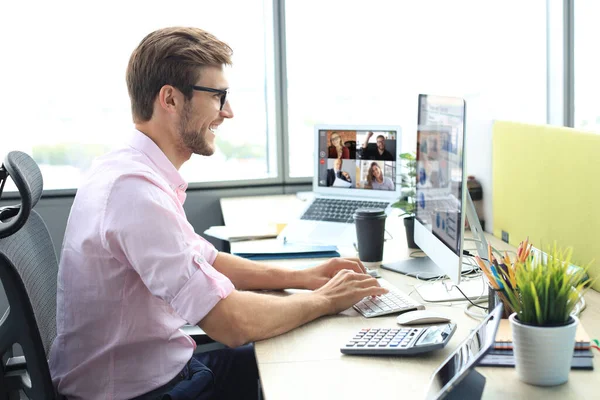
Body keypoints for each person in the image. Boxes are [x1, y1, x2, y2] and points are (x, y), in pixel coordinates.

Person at [48, 27, 387, 400]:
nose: (227, 112)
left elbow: (208, 260)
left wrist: (305, 277)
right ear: (170, 99)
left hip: (164, 373)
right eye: (218, 96)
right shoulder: (135, 193)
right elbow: (231, 323)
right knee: (315, 372)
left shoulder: (131, 172)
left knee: (299, 358)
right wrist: (325, 300)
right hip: (143, 394)